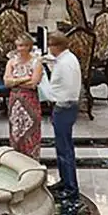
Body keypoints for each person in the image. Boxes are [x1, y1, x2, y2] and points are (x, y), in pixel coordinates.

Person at [40, 30, 83, 203]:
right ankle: (64, 181)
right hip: (68, 106)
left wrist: (43, 81)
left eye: (50, 45)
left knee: (65, 149)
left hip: (64, 107)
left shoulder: (64, 64)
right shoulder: (67, 58)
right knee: (62, 147)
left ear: (56, 46)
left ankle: (71, 187)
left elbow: (55, 89)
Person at [3, 33, 44, 159]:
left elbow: (33, 83)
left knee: (31, 129)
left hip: (30, 100)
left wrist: (15, 81)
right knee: (16, 130)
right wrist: (24, 79)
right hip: (15, 102)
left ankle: (32, 160)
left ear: (29, 46)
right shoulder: (11, 62)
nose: (21, 49)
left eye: (24, 46)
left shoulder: (36, 62)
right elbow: (6, 82)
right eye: (19, 45)